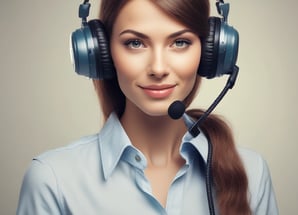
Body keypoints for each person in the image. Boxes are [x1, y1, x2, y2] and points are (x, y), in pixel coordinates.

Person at [17, 0, 278, 214]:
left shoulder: (252, 172)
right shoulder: (52, 180)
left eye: (180, 42)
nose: (158, 68)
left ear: (211, 52)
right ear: (100, 52)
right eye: (135, 43)